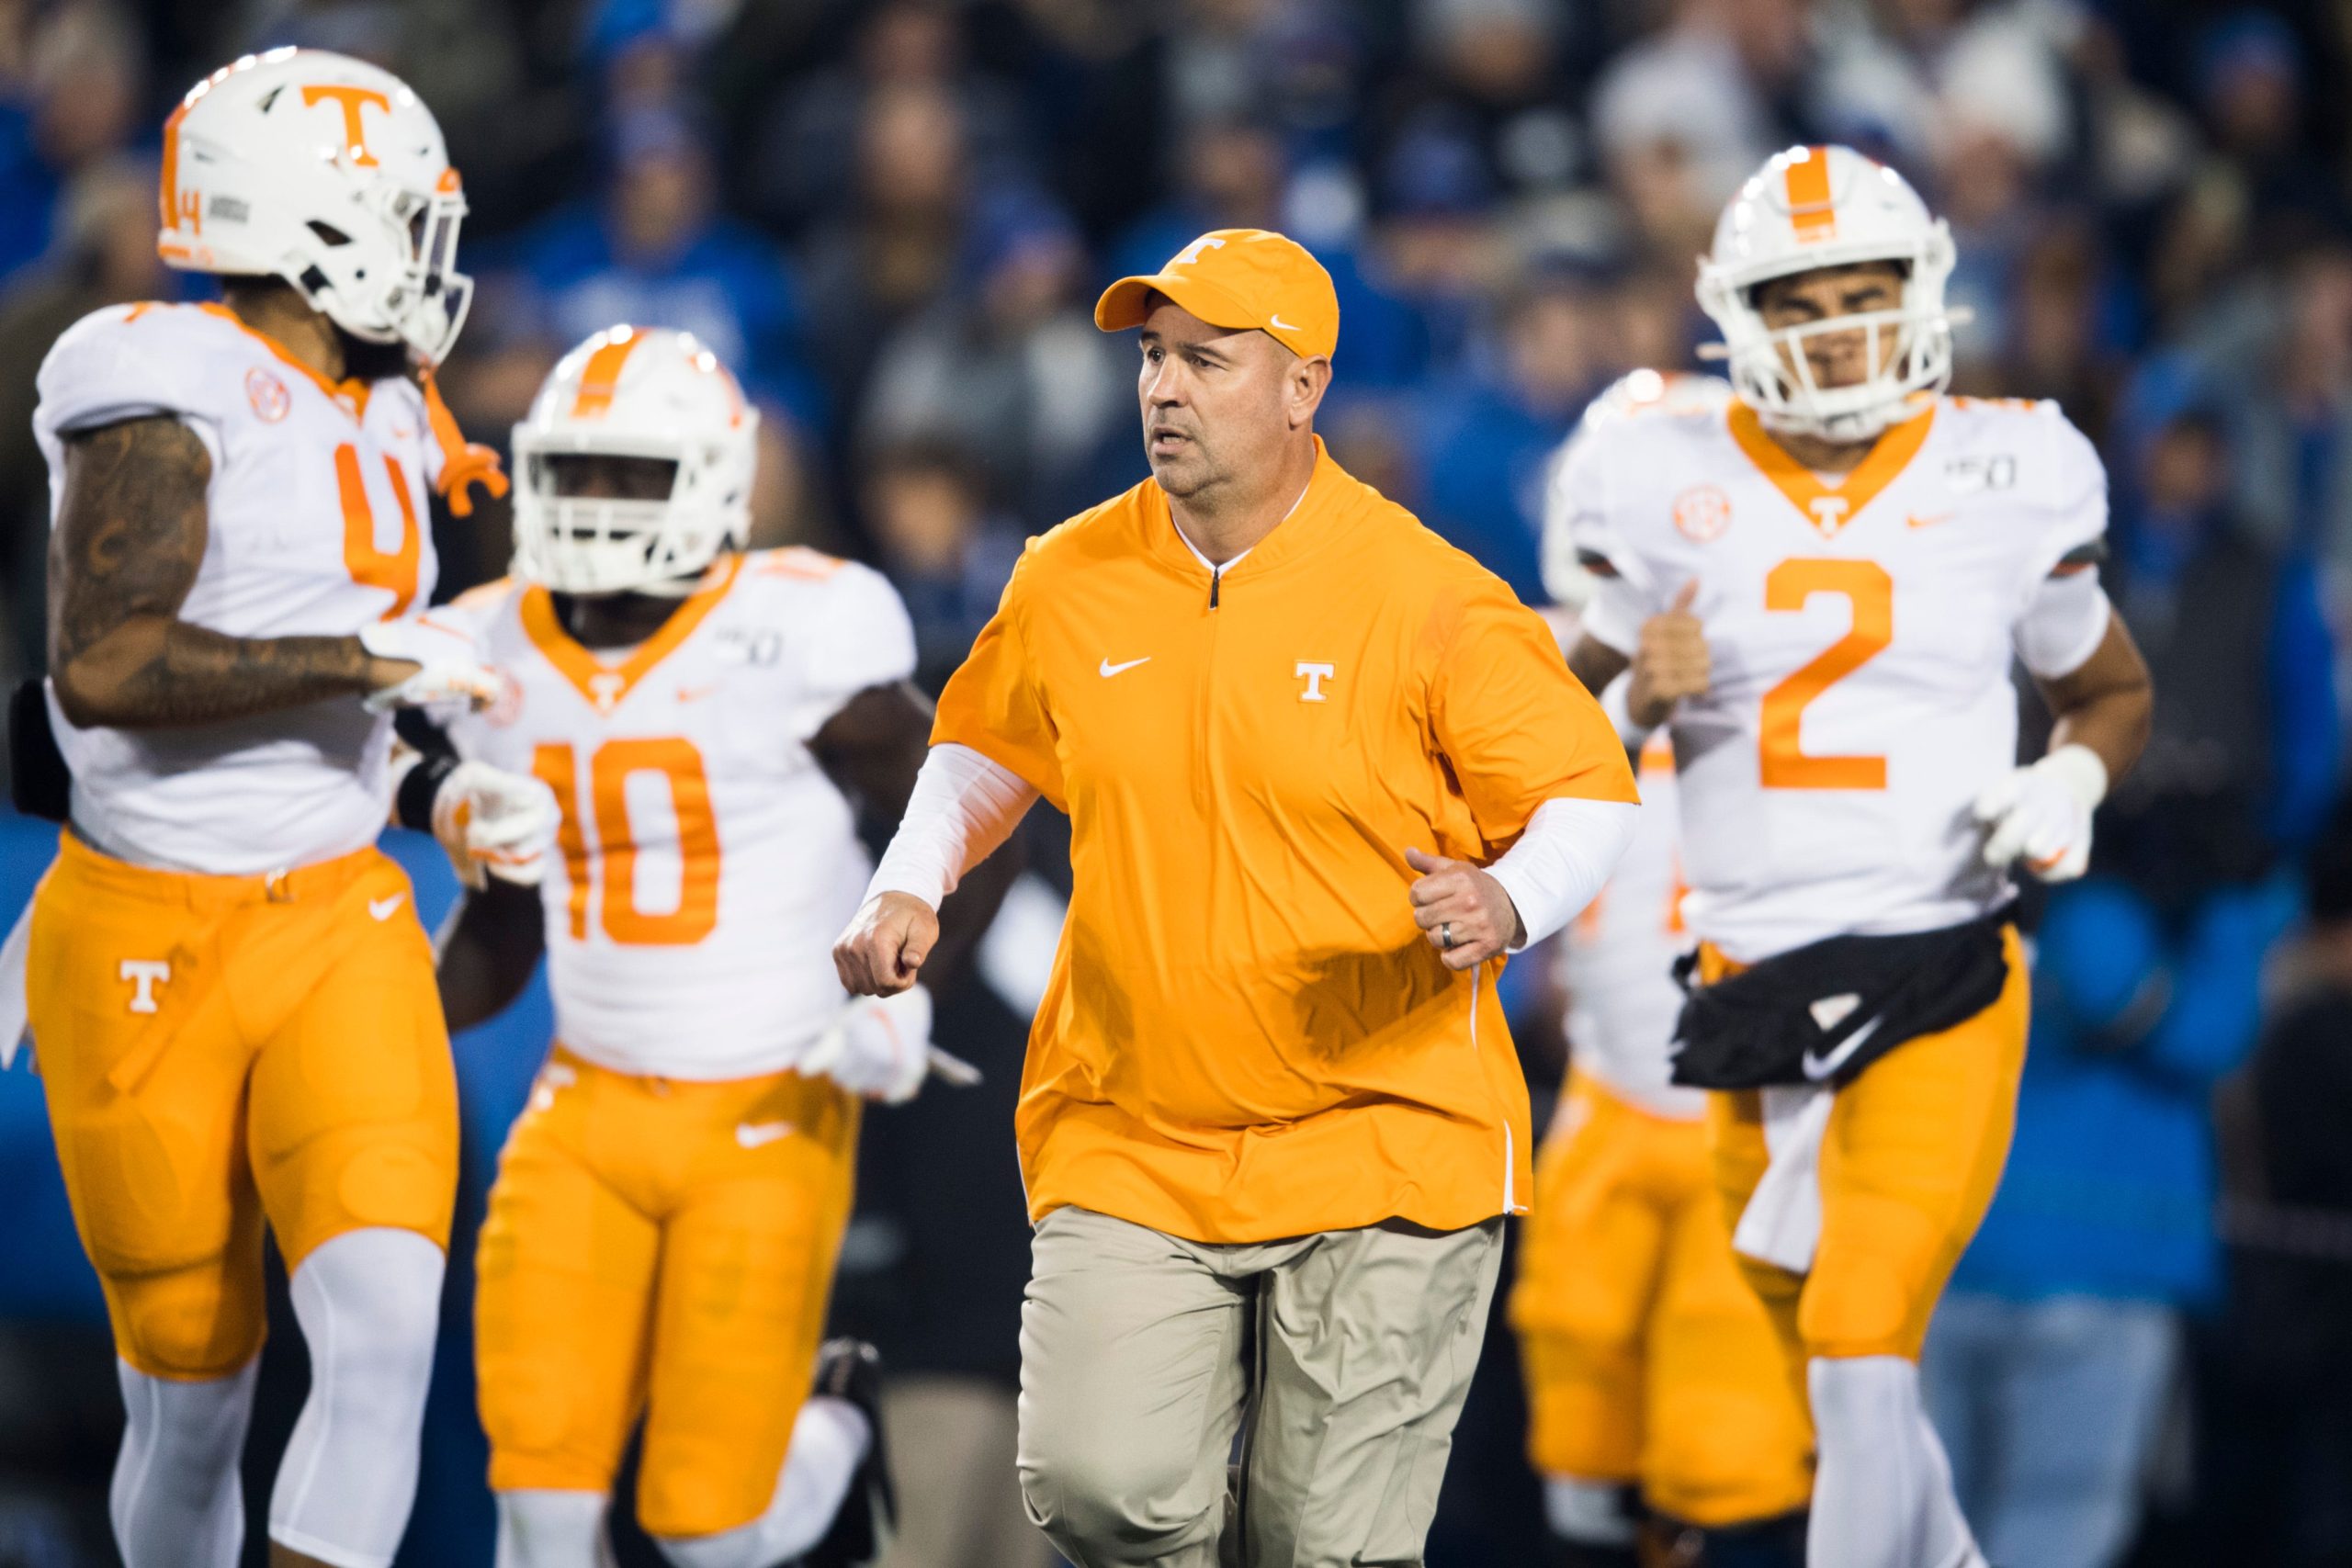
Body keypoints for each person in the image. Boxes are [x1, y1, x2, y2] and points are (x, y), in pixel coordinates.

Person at [834, 227, 1643, 1568]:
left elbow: (1589, 793)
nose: (1161, 387)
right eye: (1153, 356)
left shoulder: (1429, 595)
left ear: (1302, 386)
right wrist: (912, 883)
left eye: (1205, 359)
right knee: (1099, 1487)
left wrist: (1509, 901)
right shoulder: (1068, 575)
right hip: (1136, 1120)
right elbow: (985, 747)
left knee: (1323, 1547)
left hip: (1385, 1123)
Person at [1558, 146, 2154, 1568]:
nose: (1835, 325)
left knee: (1859, 1325)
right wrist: (1637, 689)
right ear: (1736, 316)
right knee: (1813, 1355)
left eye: (1862, 292)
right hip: (1748, 990)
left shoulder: (2006, 467)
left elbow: (2110, 692)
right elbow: (1549, 728)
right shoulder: (1659, 473)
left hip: (1938, 964)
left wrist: (2069, 775)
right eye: (1798, 297)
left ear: (1922, 293)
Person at [10, 50, 556, 1568]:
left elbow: (368, 704)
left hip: (336, 911)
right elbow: (109, 662)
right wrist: (374, 652)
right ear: (315, 222)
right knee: (192, 1407)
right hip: (146, 931)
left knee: (385, 1328)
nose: (433, 256)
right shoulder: (156, 375)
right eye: (404, 217)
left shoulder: (383, 408)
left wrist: (442, 789)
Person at [428, 325, 1009, 1568]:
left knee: (709, 1531)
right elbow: (506, 922)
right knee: (533, 1502)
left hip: (769, 1108)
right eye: (574, 469)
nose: (593, 503)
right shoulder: (490, 651)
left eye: (629, 471)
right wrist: (387, 1022)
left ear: (711, 475)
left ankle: (838, 1427)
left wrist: (908, 991)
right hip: (579, 1110)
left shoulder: (797, 632)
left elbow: (979, 810)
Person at [1512, 371, 1814, 1568]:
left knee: (1727, 1440)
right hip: (1604, 1086)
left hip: (1757, 1107)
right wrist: (1634, 693)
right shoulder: (1541, 658)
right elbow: (1489, 796)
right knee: (1577, 1405)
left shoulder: (1818, 651)